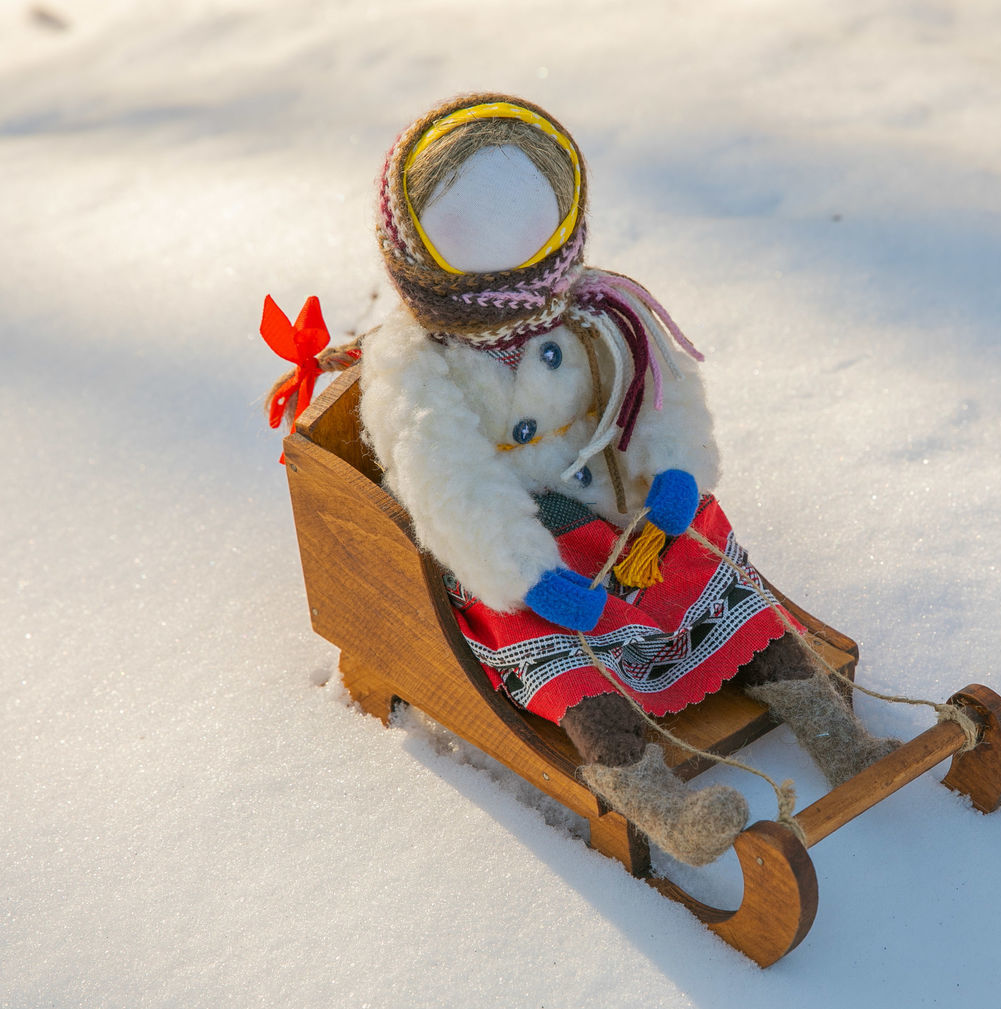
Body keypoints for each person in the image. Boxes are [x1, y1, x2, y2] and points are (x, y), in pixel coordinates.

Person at [359, 94, 896, 866]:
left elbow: (656, 394)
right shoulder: (412, 364)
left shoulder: (595, 310)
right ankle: (656, 799)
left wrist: (674, 467)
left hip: (611, 513)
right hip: (517, 545)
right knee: (549, 637)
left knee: (708, 563)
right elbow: (448, 481)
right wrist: (526, 573)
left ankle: (836, 735)